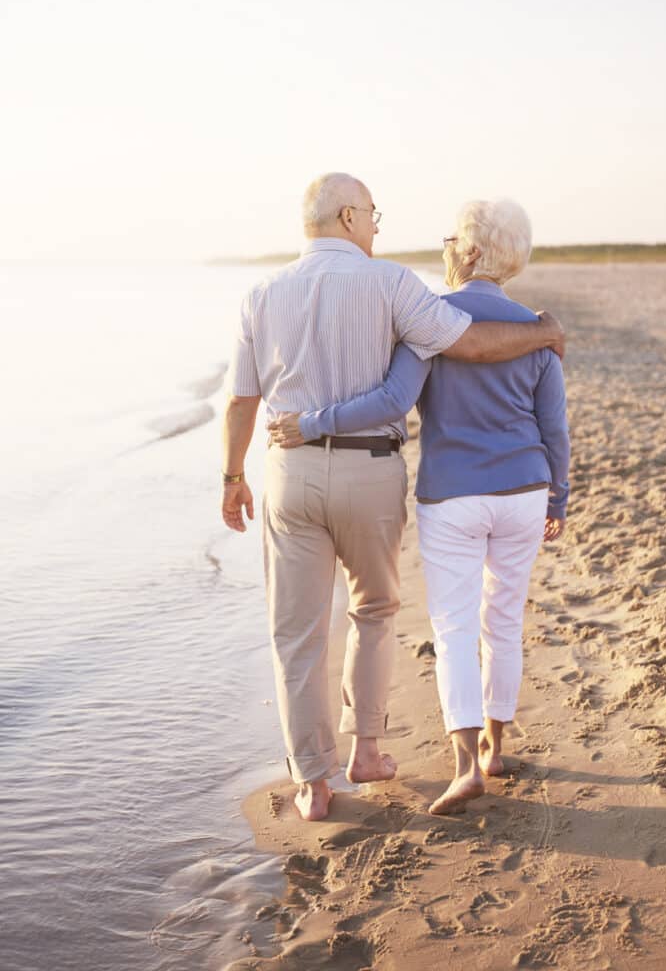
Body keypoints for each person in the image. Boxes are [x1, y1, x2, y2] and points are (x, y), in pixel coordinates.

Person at [222, 176, 565, 821]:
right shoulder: (395, 286)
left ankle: (313, 783)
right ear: (348, 216)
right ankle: (370, 751)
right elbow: (472, 344)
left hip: (290, 472)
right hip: (376, 472)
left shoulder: (259, 292)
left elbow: (242, 398)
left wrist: (231, 477)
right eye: (373, 215)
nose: (377, 227)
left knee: (296, 633)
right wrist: (544, 333)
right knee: (376, 610)